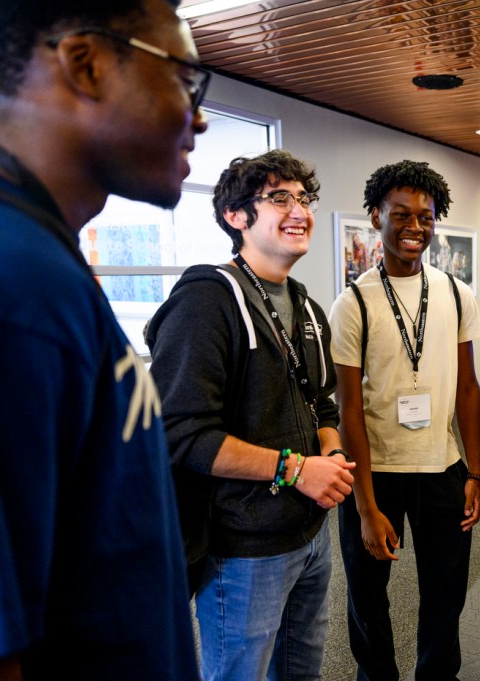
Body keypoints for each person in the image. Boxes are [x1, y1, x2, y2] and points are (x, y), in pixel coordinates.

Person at [0, 1, 207, 678]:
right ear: (86, 64)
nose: (198, 117)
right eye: (184, 79)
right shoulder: (8, 280)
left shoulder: (40, 255)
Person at [147, 149, 356, 681]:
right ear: (236, 216)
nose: (300, 211)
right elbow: (181, 433)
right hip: (243, 549)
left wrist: (330, 454)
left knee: (301, 672)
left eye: (304, 198)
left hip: (310, 534)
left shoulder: (306, 306)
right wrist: (296, 469)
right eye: (279, 198)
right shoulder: (205, 302)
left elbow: (322, 402)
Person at [329, 160, 480, 681]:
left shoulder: (456, 293)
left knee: (446, 592)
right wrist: (365, 505)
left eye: (425, 216)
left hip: (442, 468)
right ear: (376, 217)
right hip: (374, 471)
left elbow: (468, 388)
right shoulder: (353, 303)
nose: (414, 227)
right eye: (401, 215)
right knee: (367, 595)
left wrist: (475, 472)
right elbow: (348, 408)